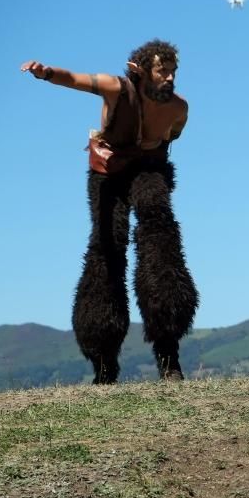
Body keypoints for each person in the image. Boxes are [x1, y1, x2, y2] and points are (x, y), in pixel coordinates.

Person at [21, 39, 199, 383]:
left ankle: (168, 353)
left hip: (149, 168)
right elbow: (74, 79)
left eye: (174, 71)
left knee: (158, 225)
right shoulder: (115, 89)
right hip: (108, 173)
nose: (171, 77)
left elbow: (173, 136)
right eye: (163, 70)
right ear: (139, 70)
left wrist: (149, 148)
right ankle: (104, 362)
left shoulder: (178, 107)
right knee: (107, 245)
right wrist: (46, 73)